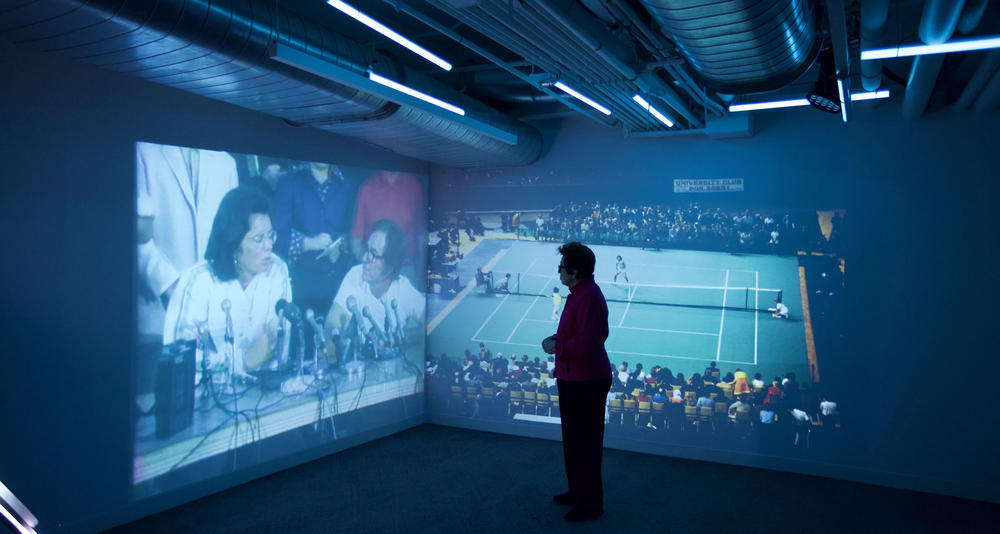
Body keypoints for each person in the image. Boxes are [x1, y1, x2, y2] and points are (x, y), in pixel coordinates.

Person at [163, 187, 291, 379]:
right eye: (258, 239)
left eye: (270, 235)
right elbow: (180, 364)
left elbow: (278, 351)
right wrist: (244, 361)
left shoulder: (276, 270)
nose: (269, 246)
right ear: (233, 244)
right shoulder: (197, 282)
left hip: (264, 393)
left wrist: (271, 346)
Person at [541, 242, 611, 522]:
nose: (558, 272)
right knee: (573, 441)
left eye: (561, 268)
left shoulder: (589, 297)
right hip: (572, 377)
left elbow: (590, 342)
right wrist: (558, 341)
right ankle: (576, 491)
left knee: (587, 445)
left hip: (587, 381)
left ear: (574, 271)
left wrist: (556, 347)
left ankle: (591, 503)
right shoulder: (578, 293)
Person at [324, 219, 425, 363]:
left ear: (391, 265)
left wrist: (398, 338)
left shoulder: (403, 289)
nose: (365, 258)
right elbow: (332, 323)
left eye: (373, 254)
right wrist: (336, 343)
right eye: (366, 249)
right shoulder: (355, 275)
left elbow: (434, 327)